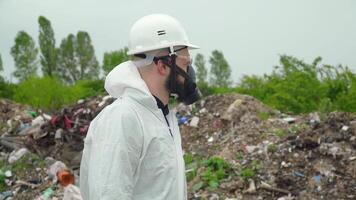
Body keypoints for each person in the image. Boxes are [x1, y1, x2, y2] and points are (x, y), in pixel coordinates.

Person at [79, 13, 201, 200]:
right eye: (186, 64)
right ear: (162, 65)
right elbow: (108, 194)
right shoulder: (122, 118)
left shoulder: (162, 114)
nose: (190, 72)